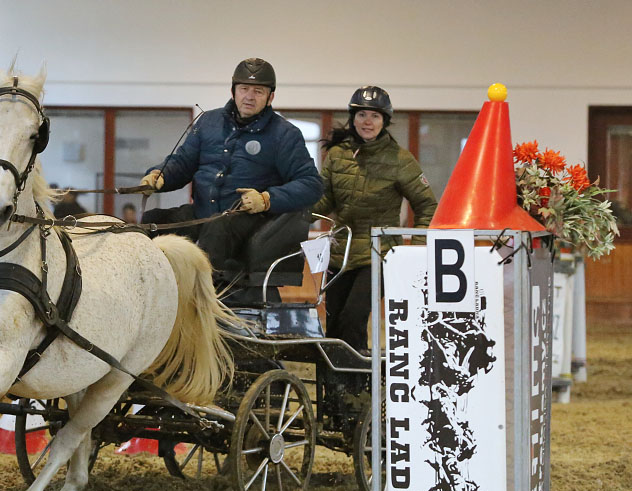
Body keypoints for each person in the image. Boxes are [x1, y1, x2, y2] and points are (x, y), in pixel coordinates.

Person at [139, 57, 321, 274]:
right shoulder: (208, 122)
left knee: (218, 228)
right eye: (244, 89)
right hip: (202, 213)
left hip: (249, 221)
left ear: (270, 97)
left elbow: (311, 184)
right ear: (233, 91)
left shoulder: (285, 134)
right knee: (152, 221)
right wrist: (160, 175)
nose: (249, 97)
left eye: (258, 91)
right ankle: (149, 289)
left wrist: (266, 199)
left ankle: (206, 298)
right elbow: (183, 162)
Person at [313, 86, 437, 353]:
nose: (367, 122)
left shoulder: (401, 160)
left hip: (378, 253)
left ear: (385, 121)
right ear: (352, 118)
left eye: (375, 116)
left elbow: (427, 205)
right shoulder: (337, 155)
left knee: (352, 319)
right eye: (361, 115)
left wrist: (416, 250)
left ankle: (356, 390)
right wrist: (295, 208)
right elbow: (324, 201)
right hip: (340, 252)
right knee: (333, 326)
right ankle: (335, 389)